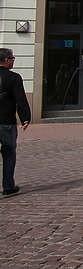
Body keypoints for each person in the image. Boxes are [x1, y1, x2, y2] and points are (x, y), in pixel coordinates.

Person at [0, 48, 31, 196]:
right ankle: (8, 186)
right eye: (12, 58)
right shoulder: (14, 77)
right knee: (9, 153)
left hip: (7, 122)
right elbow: (21, 100)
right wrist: (25, 117)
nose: (13, 60)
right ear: (6, 60)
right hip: (7, 122)